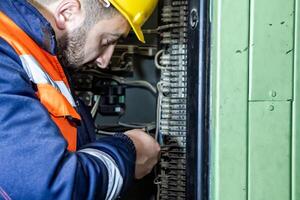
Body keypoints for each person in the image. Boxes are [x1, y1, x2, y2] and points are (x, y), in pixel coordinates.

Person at [0, 0, 160, 199]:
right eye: (107, 41)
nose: (105, 62)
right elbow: (51, 188)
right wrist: (129, 153)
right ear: (67, 12)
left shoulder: (38, 53)